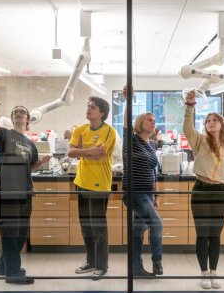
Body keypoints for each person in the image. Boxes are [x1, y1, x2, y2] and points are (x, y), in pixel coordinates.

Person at [0, 90, 51, 285]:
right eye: (16, 111)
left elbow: (28, 168)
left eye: (23, 111)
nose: (19, 112)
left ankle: (3, 266)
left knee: (21, 233)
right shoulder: (5, 135)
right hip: (7, 192)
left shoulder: (30, 144)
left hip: (25, 193)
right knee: (10, 232)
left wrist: (40, 163)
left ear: (28, 119)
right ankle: (13, 273)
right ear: (13, 118)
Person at [183, 91, 224, 289]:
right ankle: (203, 273)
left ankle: (214, 272)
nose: (211, 123)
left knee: (215, 235)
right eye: (208, 121)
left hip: (221, 192)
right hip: (202, 190)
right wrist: (190, 106)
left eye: (215, 120)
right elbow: (187, 127)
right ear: (205, 125)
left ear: (221, 124)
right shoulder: (199, 141)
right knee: (203, 234)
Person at [68, 96, 116, 281]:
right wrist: (87, 151)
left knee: (98, 228)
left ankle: (102, 266)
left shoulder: (108, 131)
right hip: (81, 183)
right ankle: (91, 260)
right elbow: (70, 152)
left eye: (93, 107)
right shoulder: (80, 129)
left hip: (99, 184)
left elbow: (99, 153)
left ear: (102, 113)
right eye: (88, 106)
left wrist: (82, 150)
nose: (88, 110)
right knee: (86, 227)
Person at [122, 85, 163, 277]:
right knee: (157, 224)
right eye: (149, 119)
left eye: (154, 120)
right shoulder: (132, 140)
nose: (153, 122)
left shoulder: (151, 144)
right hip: (134, 192)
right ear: (140, 122)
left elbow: (152, 171)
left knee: (137, 231)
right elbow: (125, 123)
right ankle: (157, 263)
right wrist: (127, 101)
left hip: (146, 193)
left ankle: (136, 268)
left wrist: (155, 195)